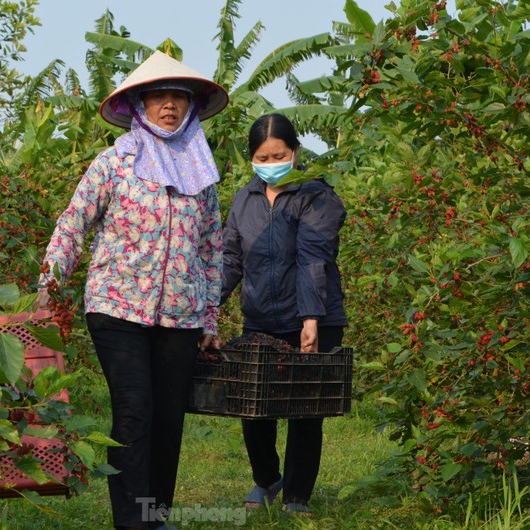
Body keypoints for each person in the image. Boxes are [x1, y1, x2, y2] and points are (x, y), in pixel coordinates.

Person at [37, 51, 228, 530]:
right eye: (159, 97)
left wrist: (209, 321)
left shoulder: (201, 174)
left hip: (181, 315)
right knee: (134, 412)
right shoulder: (115, 162)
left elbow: (211, 250)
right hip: (116, 308)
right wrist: (49, 282)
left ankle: (154, 516)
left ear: (190, 108)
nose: (170, 106)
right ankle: (130, 522)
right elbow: (73, 222)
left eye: (179, 98)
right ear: (140, 105)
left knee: (168, 420)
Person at [218, 113, 348, 514]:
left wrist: (310, 317)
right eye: (262, 156)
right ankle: (266, 480)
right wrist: (206, 309)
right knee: (254, 407)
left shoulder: (316, 195)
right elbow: (230, 259)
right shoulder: (244, 199)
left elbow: (314, 257)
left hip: (315, 318)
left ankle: (296, 495)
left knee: (304, 410)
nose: (271, 161)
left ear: (294, 151)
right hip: (260, 320)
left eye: (279, 154)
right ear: (251, 158)